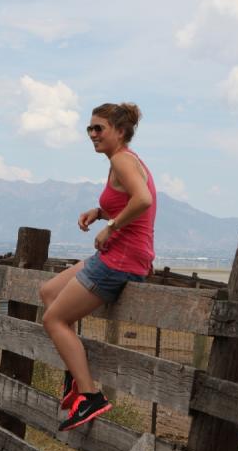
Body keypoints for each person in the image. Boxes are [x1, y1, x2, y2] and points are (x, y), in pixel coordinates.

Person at [40, 102, 156, 431]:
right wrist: (99, 213)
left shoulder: (121, 159)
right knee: (48, 292)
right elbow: (127, 200)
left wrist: (112, 226)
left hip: (122, 259)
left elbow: (143, 199)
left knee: (54, 319)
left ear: (120, 131)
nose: (92, 134)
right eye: (89, 129)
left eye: (99, 128)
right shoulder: (120, 161)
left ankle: (91, 396)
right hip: (115, 255)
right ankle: (77, 378)